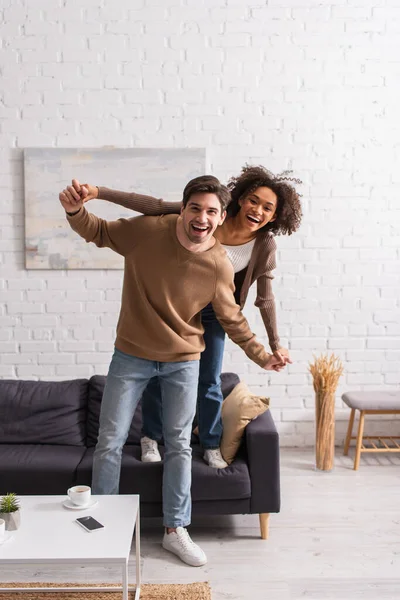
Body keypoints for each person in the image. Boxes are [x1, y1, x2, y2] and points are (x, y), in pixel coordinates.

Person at [59, 175, 286, 568]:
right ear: (182, 209)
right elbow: (96, 230)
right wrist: (75, 209)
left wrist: (262, 355)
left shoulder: (218, 263)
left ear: (220, 217)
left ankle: (175, 530)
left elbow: (232, 319)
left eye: (211, 211)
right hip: (130, 355)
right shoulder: (147, 232)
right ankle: (105, 527)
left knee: (179, 445)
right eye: (195, 208)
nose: (202, 217)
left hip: (184, 359)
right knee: (109, 440)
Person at [74, 165, 302, 469]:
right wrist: (99, 193)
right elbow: (152, 206)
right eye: (253, 200)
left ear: (274, 217)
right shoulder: (209, 217)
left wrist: (275, 345)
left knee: (209, 380)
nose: (257, 210)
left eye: (267, 207)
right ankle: (150, 438)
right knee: (159, 371)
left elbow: (265, 297)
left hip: (219, 311)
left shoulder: (264, 245)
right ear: (239, 200)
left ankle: (210, 443)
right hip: (181, 304)